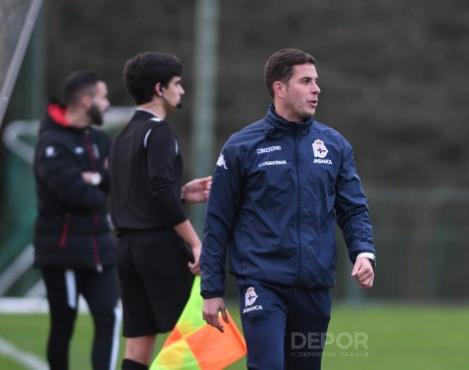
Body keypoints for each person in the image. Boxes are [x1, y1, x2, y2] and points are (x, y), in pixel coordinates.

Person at [201, 48, 377, 370]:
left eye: (316, 81)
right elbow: (218, 220)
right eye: (306, 81)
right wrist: (211, 289)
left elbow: (353, 209)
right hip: (261, 282)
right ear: (279, 88)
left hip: (315, 286)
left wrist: (363, 251)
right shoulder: (242, 146)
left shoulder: (334, 145)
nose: (316, 89)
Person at [108, 52, 211, 370]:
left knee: (138, 345)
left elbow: (139, 194)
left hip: (126, 249)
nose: (182, 91)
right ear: (159, 89)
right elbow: (160, 192)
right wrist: (195, 243)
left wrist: (180, 193)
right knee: (204, 338)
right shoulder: (160, 132)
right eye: (177, 84)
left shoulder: (122, 136)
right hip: (157, 248)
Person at [33, 70, 120, 370]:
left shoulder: (99, 139)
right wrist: (99, 182)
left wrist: (93, 177)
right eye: (103, 97)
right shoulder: (52, 144)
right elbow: (78, 195)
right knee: (63, 324)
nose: (107, 104)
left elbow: (112, 183)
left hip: (101, 249)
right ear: (86, 102)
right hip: (62, 252)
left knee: (109, 316)